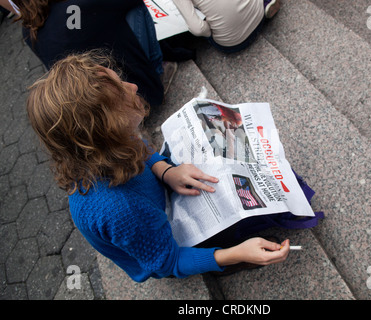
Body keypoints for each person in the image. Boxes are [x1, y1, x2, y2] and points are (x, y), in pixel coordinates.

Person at [26, 51, 290, 281]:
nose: (131, 87)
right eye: (121, 93)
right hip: (159, 241)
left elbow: (137, 146)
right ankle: (230, 260)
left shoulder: (103, 145)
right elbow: (168, 263)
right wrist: (234, 254)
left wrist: (166, 171)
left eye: (121, 81)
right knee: (242, 234)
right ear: (107, 131)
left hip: (154, 205)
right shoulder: (119, 209)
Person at [12, 0, 175, 107]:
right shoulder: (74, 7)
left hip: (98, 107)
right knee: (134, 8)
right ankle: (157, 71)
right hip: (134, 93)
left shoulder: (28, 30)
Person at [172, 0, 281, 53]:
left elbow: (198, 29)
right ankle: (265, 3)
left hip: (234, 42)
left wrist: (210, 31)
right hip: (258, 15)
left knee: (195, 17)